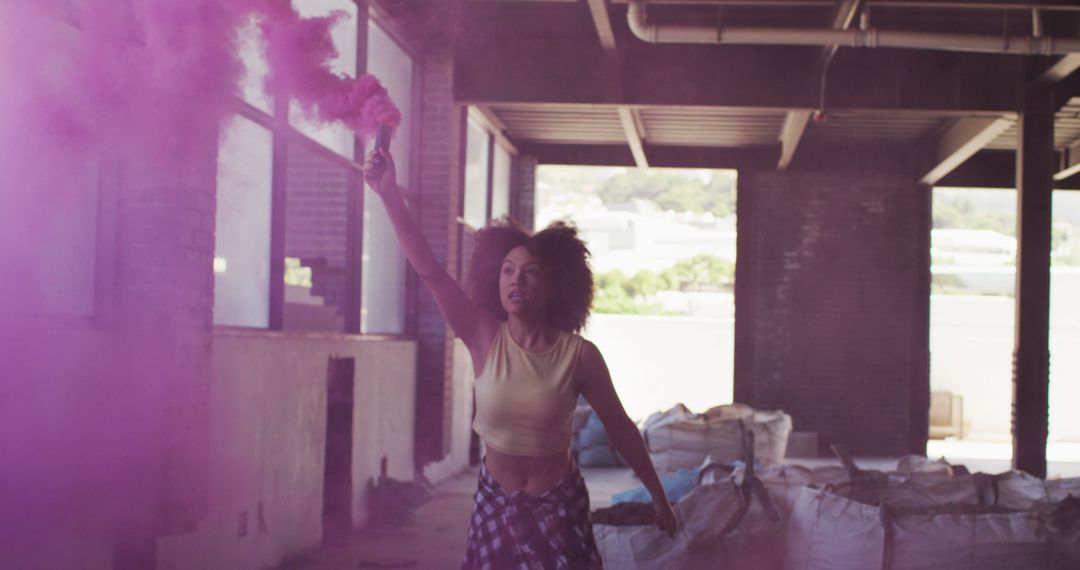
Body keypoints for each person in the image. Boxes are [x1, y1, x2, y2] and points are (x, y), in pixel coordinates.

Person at [365, 148, 678, 569]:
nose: (516, 280)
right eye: (508, 270)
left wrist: (659, 496)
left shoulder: (580, 356)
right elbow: (431, 272)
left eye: (530, 271)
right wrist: (388, 194)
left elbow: (620, 427)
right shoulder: (481, 334)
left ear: (553, 286)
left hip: (560, 506)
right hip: (496, 500)